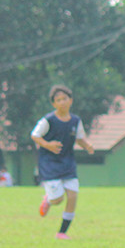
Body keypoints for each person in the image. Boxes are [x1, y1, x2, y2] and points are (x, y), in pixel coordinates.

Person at [30, 85, 94, 239]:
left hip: (67, 162)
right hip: (49, 163)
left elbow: (79, 138)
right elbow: (35, 135)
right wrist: (47, 145)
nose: (62, 102)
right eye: (58, 100)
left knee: (73, 196)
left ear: (70, 100)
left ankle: (61, 232)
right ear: (54, 104)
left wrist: (87, 146)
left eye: (65, 99)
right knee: (57, 199)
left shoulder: (75, 120)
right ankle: (48, 200)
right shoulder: (48, 120)